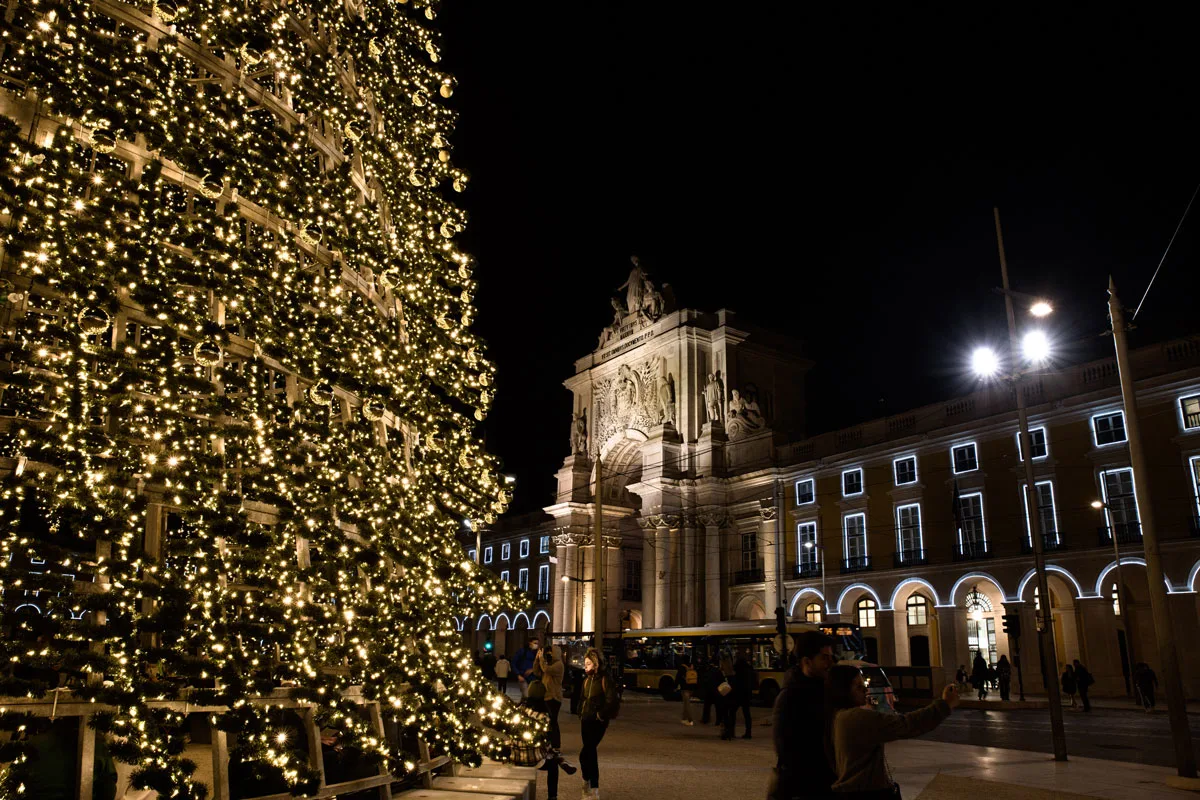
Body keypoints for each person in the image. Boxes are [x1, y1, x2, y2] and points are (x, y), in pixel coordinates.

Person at [828, 664, 959, 796]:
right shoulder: (856, 718)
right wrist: (944, 704)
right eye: (858, 686)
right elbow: (908, 724)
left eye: (864, 684)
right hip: (866, 791)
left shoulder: (837, 716)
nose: (865, 689)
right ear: (843, 690)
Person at [772, 631, 836, 800]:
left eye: (831, 656)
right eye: (824, 657)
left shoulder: (827, 690)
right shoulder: (790, 697)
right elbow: (786, 749)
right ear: (807, 662)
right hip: (806, 787)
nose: (831, 662)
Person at [531, 643, 576, 799]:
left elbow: (546, 670)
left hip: (554, 697)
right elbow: (538, 671)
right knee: (548, 723)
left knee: (553, 722)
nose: (549, 655)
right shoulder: (548, 663)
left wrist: (543, 659)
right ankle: (552, 749)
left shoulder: (558, 665)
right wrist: (538, 659)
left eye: (550, 653)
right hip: (545, 696)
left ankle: (555, 745)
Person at [577, 647, 618, 799]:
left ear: (595, 664)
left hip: (597, 721)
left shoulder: (604, 679)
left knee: (588, 752)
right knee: (586, 753)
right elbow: (582, 698)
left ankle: (592, 786)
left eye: (587, 664)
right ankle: (588, 783)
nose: (585, 666)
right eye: (585, 663)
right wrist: (580, 712)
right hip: (585, 720)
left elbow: (611, 700)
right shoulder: (586, 680)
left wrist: (601, 714)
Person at [733, 648, 757, 739]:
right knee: (747, 714)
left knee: (732, 712)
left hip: (738, 694)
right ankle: (748, 732)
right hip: (747, 694)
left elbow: (736, 683)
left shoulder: (738, 671)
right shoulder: (749, 670)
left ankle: (731, 731)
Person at [718, 654, 737, 741]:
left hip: (724, 697)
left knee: (725, 715)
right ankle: (731, 732)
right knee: (732, 714)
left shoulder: (722, 674)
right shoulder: (734, 674)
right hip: (732, 698)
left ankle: (725, 732)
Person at [676, 657, 698, 726]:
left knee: (687, 704)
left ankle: (690, 720)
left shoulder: (682, 668)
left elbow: (678, 677)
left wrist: (675, 686)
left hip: (685, 688)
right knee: (685, 704)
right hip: (691, 687)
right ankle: (684, 719)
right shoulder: (691, 666)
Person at [701, 659, 724, 725]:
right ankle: (718, 720)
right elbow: (722, 680)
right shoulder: (717, 671)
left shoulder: (706, 671)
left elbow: (704, 681)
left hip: (709, 691)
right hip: (716, 690)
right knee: (718, 707)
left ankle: (705, 719)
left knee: (707, 706)